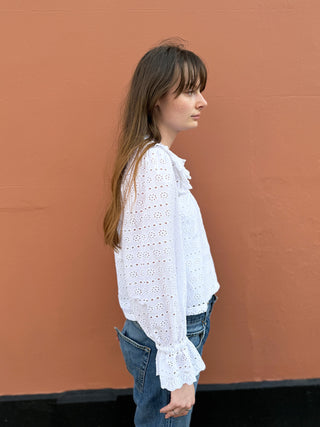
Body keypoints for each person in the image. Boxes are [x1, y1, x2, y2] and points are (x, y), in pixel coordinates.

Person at [103, 39, 221, 426]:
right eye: (189, 91)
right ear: (156, 99)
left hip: (167, 332)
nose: (201, 101)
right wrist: (178, 369)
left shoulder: (150, 158)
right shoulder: (153, 164)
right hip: (168, 337)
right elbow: (155, 270)